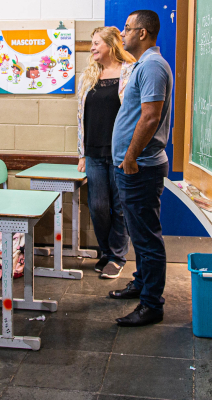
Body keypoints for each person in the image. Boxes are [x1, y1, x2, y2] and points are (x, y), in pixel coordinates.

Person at [108, 10, 174, 327]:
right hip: (133, 166)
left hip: (140, 167)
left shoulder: (152, 66)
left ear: (143, 33)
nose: (123, 33)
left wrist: (131, 156)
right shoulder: (142, 65)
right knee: (139, 233)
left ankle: (151, 304)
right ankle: (141, 283)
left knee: (147, 238)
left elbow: (149, 117)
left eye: (128, 27)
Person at [77, 27, 136, 279]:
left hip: (120, 153)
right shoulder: (88, 76)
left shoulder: (129, 73)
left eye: (96, 43)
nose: (92, 48)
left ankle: (117, 257)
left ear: (111, 45)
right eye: (92, 43)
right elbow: (80, 117)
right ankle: (105, 251)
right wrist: (81, 153)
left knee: (120, 206)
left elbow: (136, 113)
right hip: (93, 152)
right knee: (98, 206)